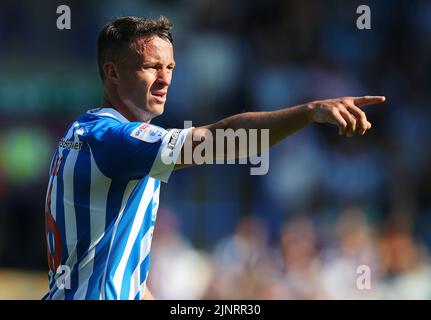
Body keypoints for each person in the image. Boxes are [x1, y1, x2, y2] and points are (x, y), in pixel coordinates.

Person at [42, 15, 385, 300]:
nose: (164, 80)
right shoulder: (115, 139)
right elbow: (224, 139)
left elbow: (129, 284)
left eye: (170, 67)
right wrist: (309, 112)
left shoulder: (93, 135)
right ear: (113, 73)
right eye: (151, 67)